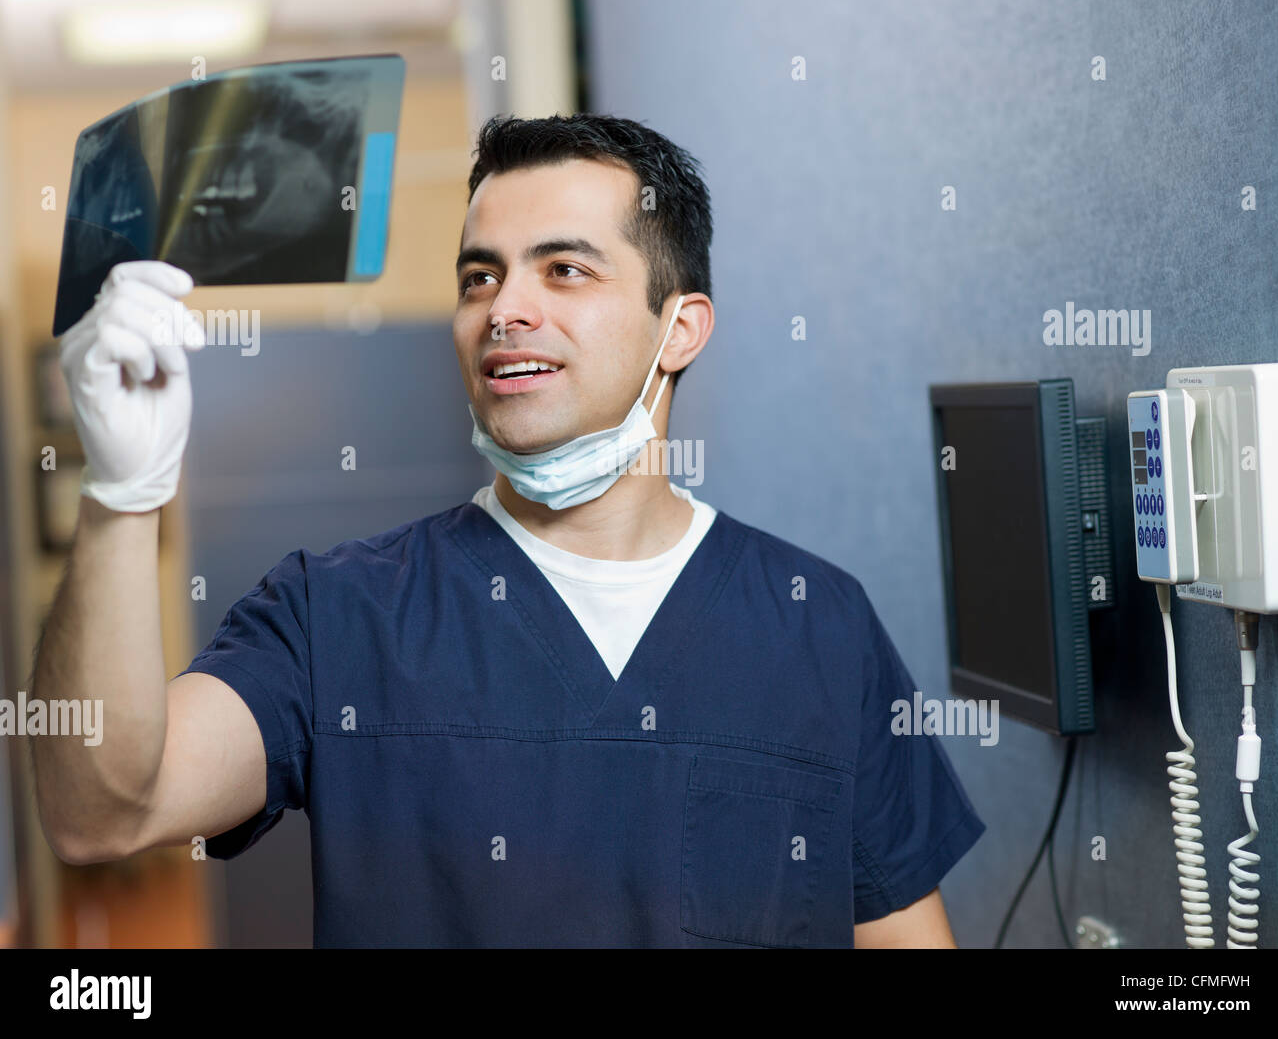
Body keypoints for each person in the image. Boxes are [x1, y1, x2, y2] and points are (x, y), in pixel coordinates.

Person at [33, 113, 984, 948]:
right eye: (479, 277)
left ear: (680, 329)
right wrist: (121, 491)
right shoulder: (338, 613)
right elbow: (105, 812)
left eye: (564, 270)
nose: (505, 311)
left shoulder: (817, 624)